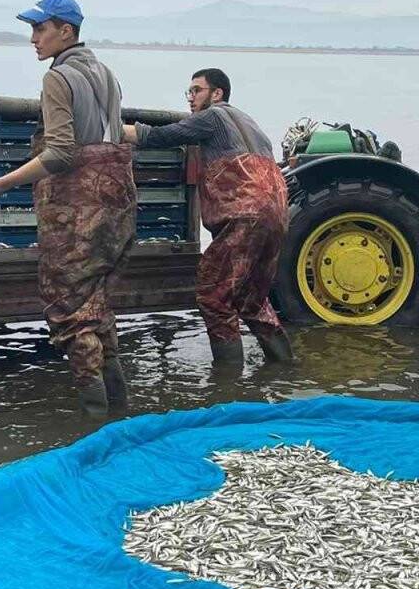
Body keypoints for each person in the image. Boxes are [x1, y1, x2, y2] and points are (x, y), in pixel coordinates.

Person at [0, 0, 136, 418]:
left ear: (66, 30)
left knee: (70, 314)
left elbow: (61, 153)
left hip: (78, 210)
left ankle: (95, 424)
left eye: (40, 29)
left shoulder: (58, 79)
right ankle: (121, 416)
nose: (33, 39)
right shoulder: (106, 73)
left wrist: (0, 184)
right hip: (119, 207)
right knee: (96, 306)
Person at [124, 68, 293, 368]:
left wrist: (110, 130)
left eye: (197, 90)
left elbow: (160, 135)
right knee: (251, 299)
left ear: (217, 94)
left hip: (245, 215)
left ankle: (227, 384)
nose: (191, 98)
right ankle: (284, 368)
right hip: (277, 215)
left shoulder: (213, 117)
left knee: (213, 295)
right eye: (188, 92)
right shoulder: (252, 125)